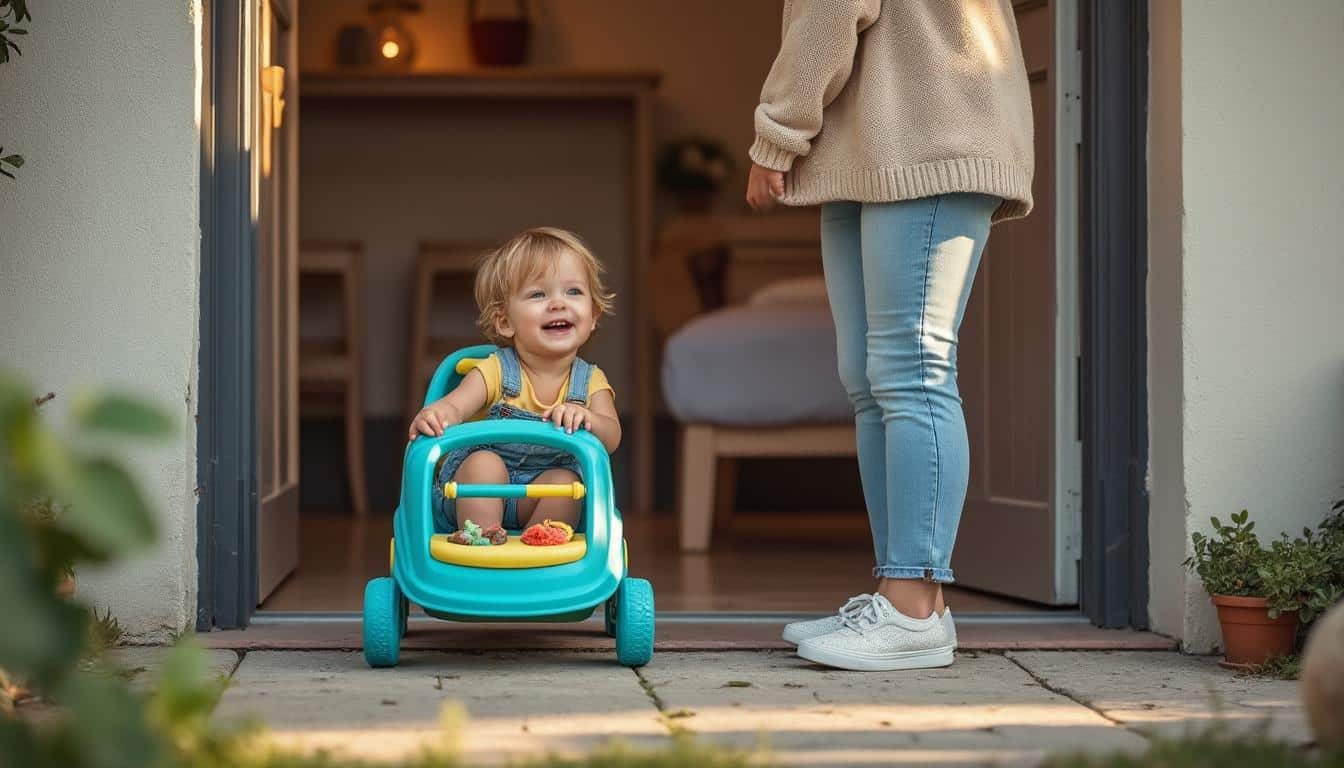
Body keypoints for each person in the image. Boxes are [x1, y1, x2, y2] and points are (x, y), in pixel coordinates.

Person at [746, 0, 1034, 671]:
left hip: (928, 138)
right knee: (871, 379)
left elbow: (832, 10)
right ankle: (905, 596)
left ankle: (911, 604)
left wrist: (776, 134)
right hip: (869, 148)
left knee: (912, 371)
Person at [409, 227, 621, 540]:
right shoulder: (495, 369)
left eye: (573, 291)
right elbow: (456, 405)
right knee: (483, 463)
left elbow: (612, 436)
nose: (558, 304)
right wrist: (438, 414)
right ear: (505, 322)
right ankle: (480, 541)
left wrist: (591, 420)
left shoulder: (590, 381)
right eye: (538, 294)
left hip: (536, 502)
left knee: (565, 482)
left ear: (593, 316)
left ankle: (540, 547)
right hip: (477, 499)